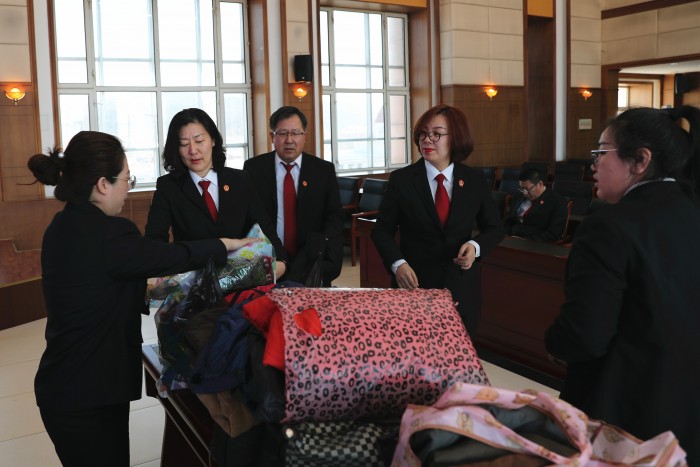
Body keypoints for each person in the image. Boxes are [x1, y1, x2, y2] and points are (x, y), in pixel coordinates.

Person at [27, 131, 257, 467]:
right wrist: (226, 245)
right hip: (89, 394)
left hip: (65, 384)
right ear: (103, 184)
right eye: (126, 179)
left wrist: (161, 292)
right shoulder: (110, 233)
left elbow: (99, 286)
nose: (128, 188)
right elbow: (172, 255)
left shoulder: (62, 225)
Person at [545, 105, 700, 464]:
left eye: (601, 152)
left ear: (640, 161)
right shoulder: (691, 211)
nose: (593, 164)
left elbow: (585, 334)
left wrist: (555, 342)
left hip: (626, 413)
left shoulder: (609, 226)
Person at [371, 104, 505, 337]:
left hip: (461, 288)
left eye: (436, 134)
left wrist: (475, 247)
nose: (427, 140)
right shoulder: (402, 180)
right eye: (423, 134)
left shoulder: (473, 180)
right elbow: (381, 230)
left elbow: (495, 228)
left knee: (459, 355)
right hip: (415, 286)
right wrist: (398, 264)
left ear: (456, 138)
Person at [145, 108, 287, 278]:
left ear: (212, 140)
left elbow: (265, 228)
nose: (193, 150)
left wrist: (282, 261)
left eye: (199, 141)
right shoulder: (169, 187)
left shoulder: (240, 180)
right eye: (184, 144)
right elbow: (154, 241)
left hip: (241, 276)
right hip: (194, 280)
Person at [243, 106, 343, 286]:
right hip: (268, 260)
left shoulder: (323, 170)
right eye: (282, 133)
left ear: (304, 136)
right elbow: (248, 215)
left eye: (296, 133)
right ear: (272, 136)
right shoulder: (254, 169)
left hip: (311, 261)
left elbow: (334, 216)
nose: (289, 140)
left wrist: (328, 257)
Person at [503, 167, 568, 242]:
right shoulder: (518, 196)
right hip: (511, 239)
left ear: (540, 184)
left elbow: (553, 234)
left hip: (534, 242)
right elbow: (509, 221)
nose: (524, 193)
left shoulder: (557, 201)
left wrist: (524, 240)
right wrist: (505, 235)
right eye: (522, 189)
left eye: (527, 189)